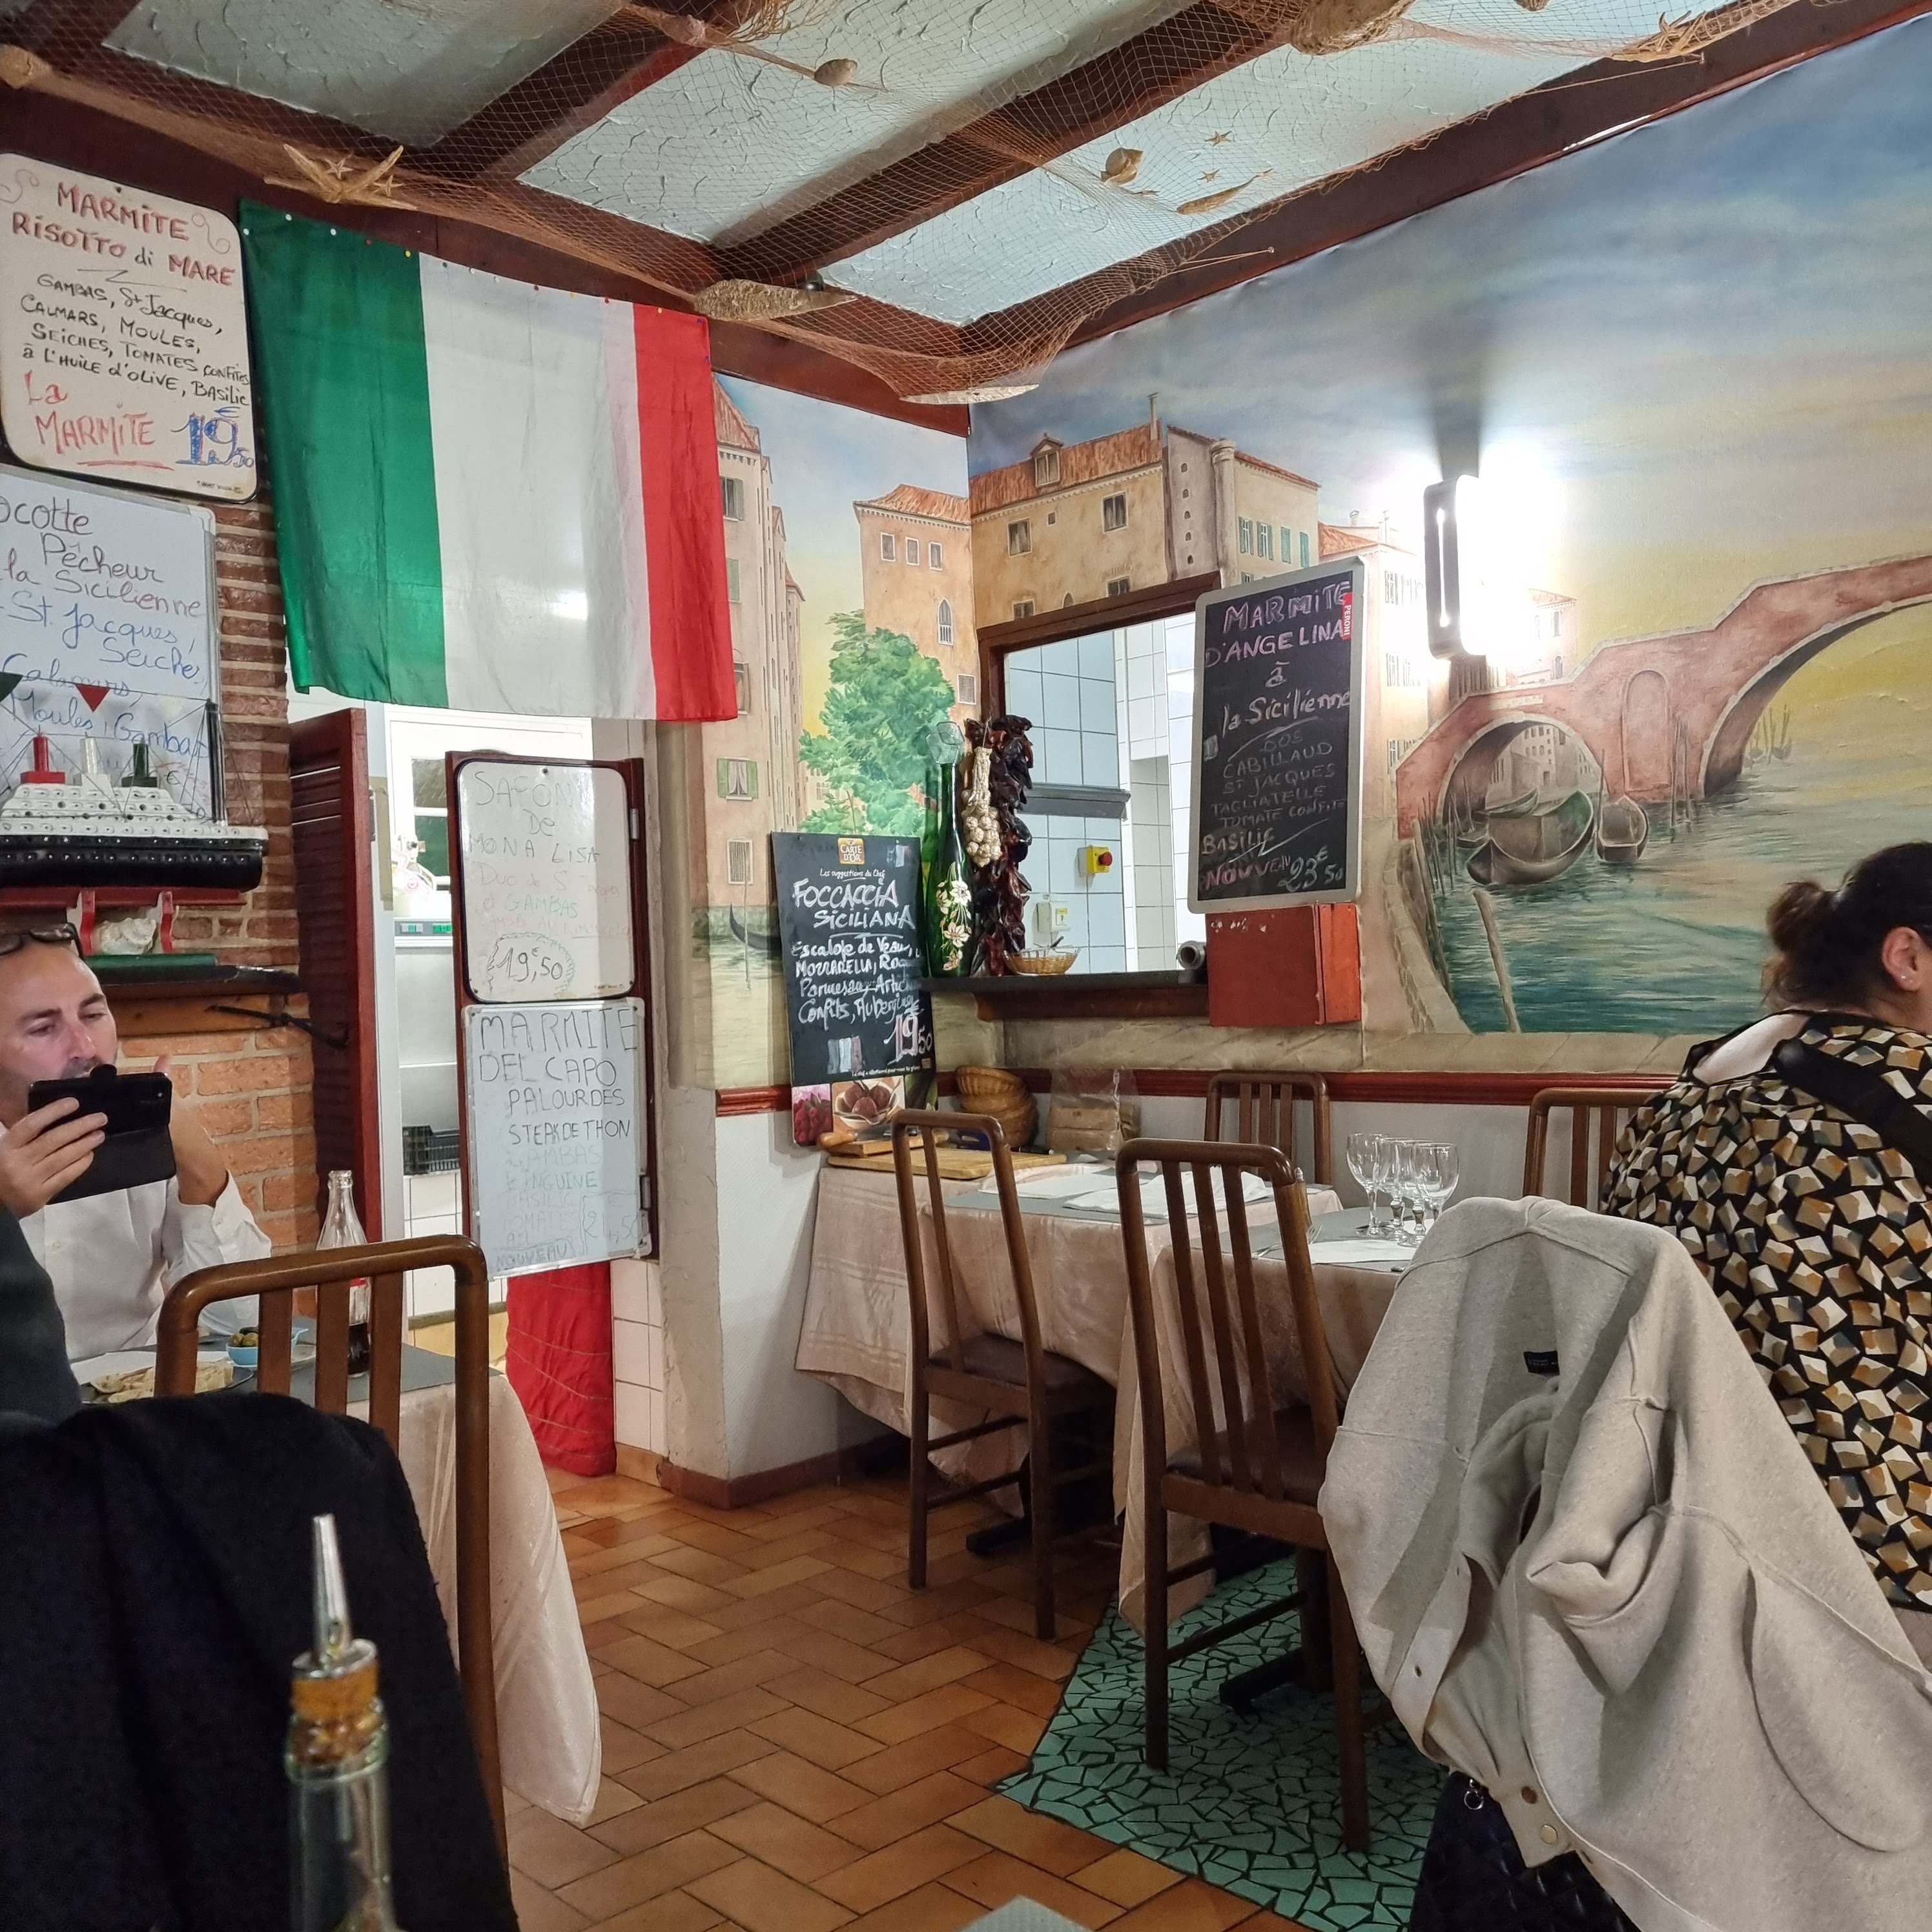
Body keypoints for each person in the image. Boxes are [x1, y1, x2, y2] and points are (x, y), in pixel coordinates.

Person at [1605, 841, 1932, 1628]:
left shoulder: (1686, 1089)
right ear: (1907, 958)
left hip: (1662, 1516)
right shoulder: (1913, 1082)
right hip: (1872, 1546)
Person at [0, 926, 269, 1359]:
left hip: (136, 1393)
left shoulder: (146, 1134)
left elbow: (243, 1322)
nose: (86, 1047)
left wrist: (199, 1162)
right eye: (44, 1028)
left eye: (93, 1015)